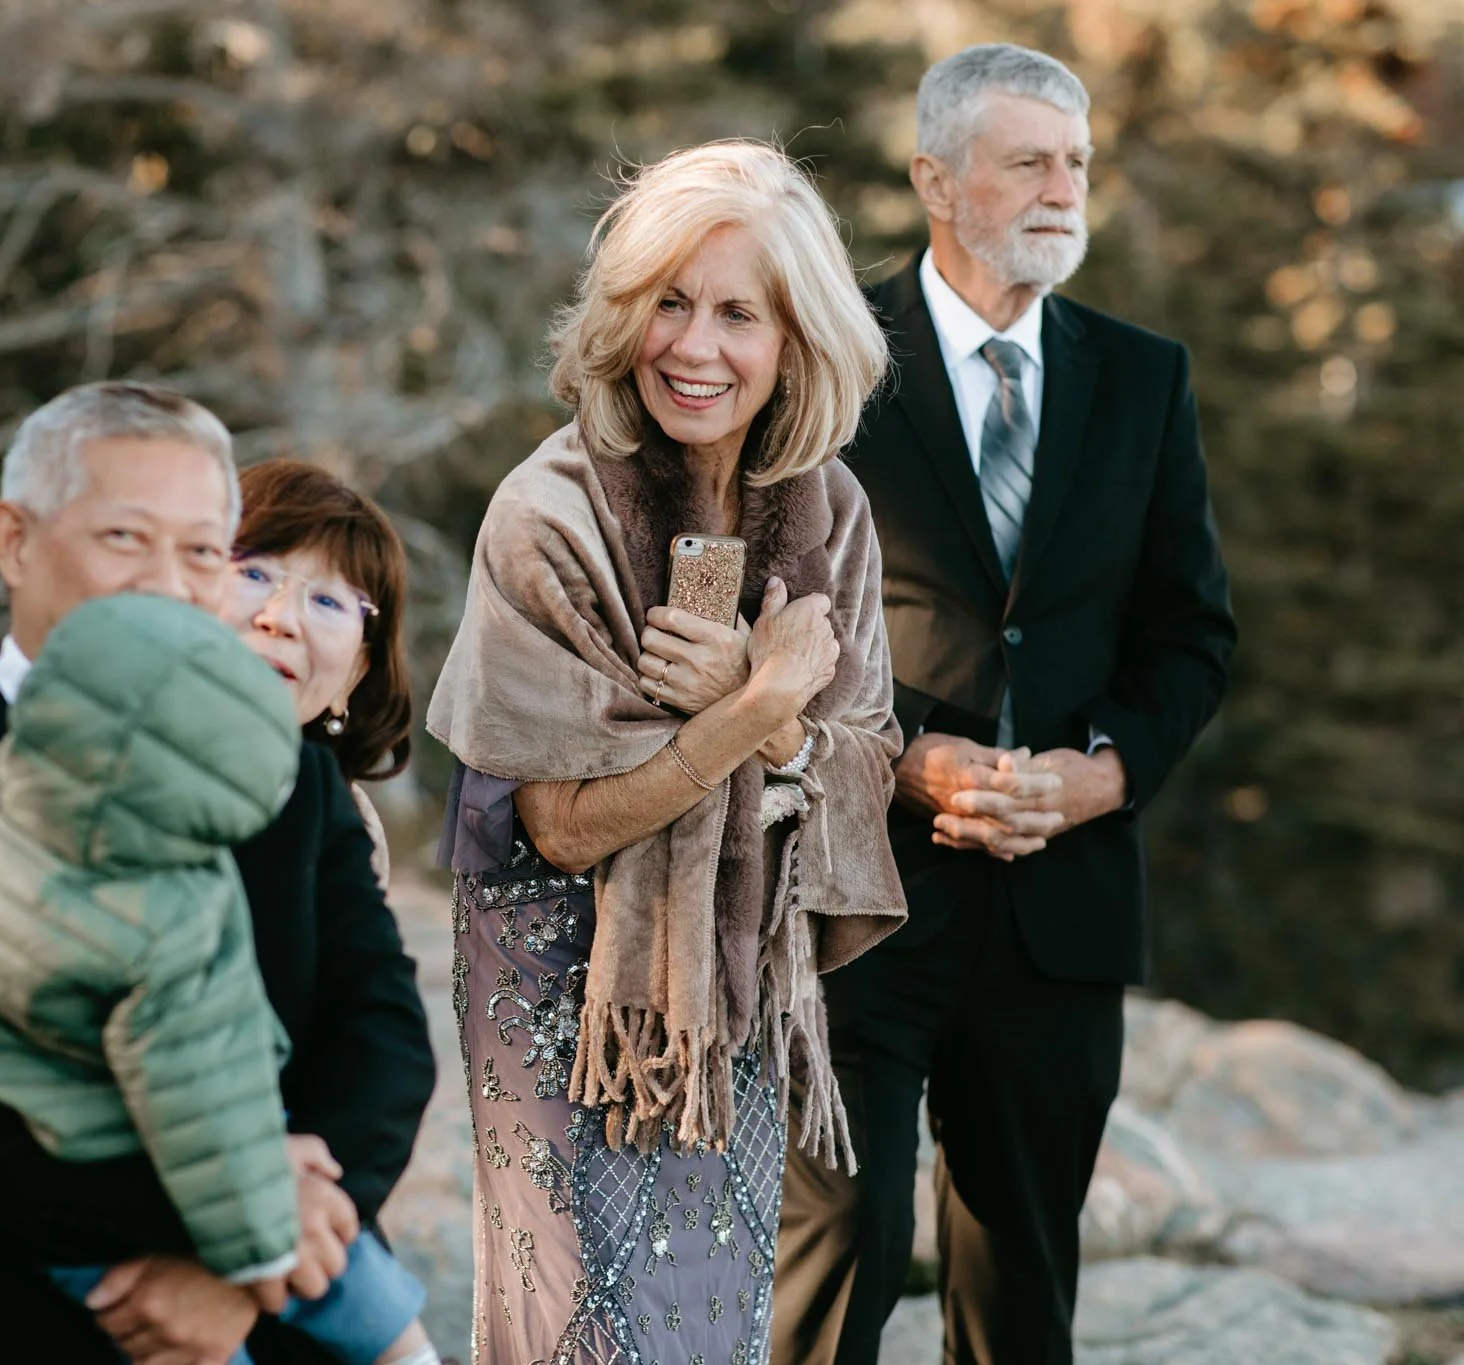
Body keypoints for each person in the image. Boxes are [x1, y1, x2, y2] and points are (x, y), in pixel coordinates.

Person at [0, 381, 435, 1364]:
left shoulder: (283, 767)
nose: (167, 585)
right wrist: (210, 1222)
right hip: (38, 1318)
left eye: (200, 552)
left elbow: (379, 1030)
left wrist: (253, 1265)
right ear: (14, 540)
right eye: (124, 540)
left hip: (294, 1304)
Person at [769, 45, 1238, 1364]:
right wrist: (911, 759)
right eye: (1029, 159)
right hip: (863, 890)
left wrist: (1104, 773)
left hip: (1063, 911)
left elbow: (1192, 636)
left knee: (1021, 1280)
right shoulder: (831, 356)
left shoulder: (1146, 378)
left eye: (1076, 162)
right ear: (935, 175)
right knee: (837, 1252)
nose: (1061, 188)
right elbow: (782, 623)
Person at [426, 140, 909, 1365]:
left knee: (709, 1322)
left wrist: (783, 716)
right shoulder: (545, 513)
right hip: (560, 988)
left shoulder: (829, 510)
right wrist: (750, 715)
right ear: (621, 317)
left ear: (795, 341)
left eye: (737, 314)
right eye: (668, 306)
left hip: (726, 993)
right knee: (580, 1325)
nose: (694, 349)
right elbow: (561, 822)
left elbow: (861, 763)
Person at [0, 591, 435, 1365]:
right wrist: (258, 1216)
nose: (278, 615)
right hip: (165, 1189)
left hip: (96, 1164)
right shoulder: (159, 917)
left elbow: (387, 1035)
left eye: (329, 596)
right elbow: (196, 1086)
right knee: (347, 1294)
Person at [221, 458, 415, 883]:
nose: (280, 619)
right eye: (254, 572)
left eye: (327, 601)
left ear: (355, 674)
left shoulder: (347, 830)